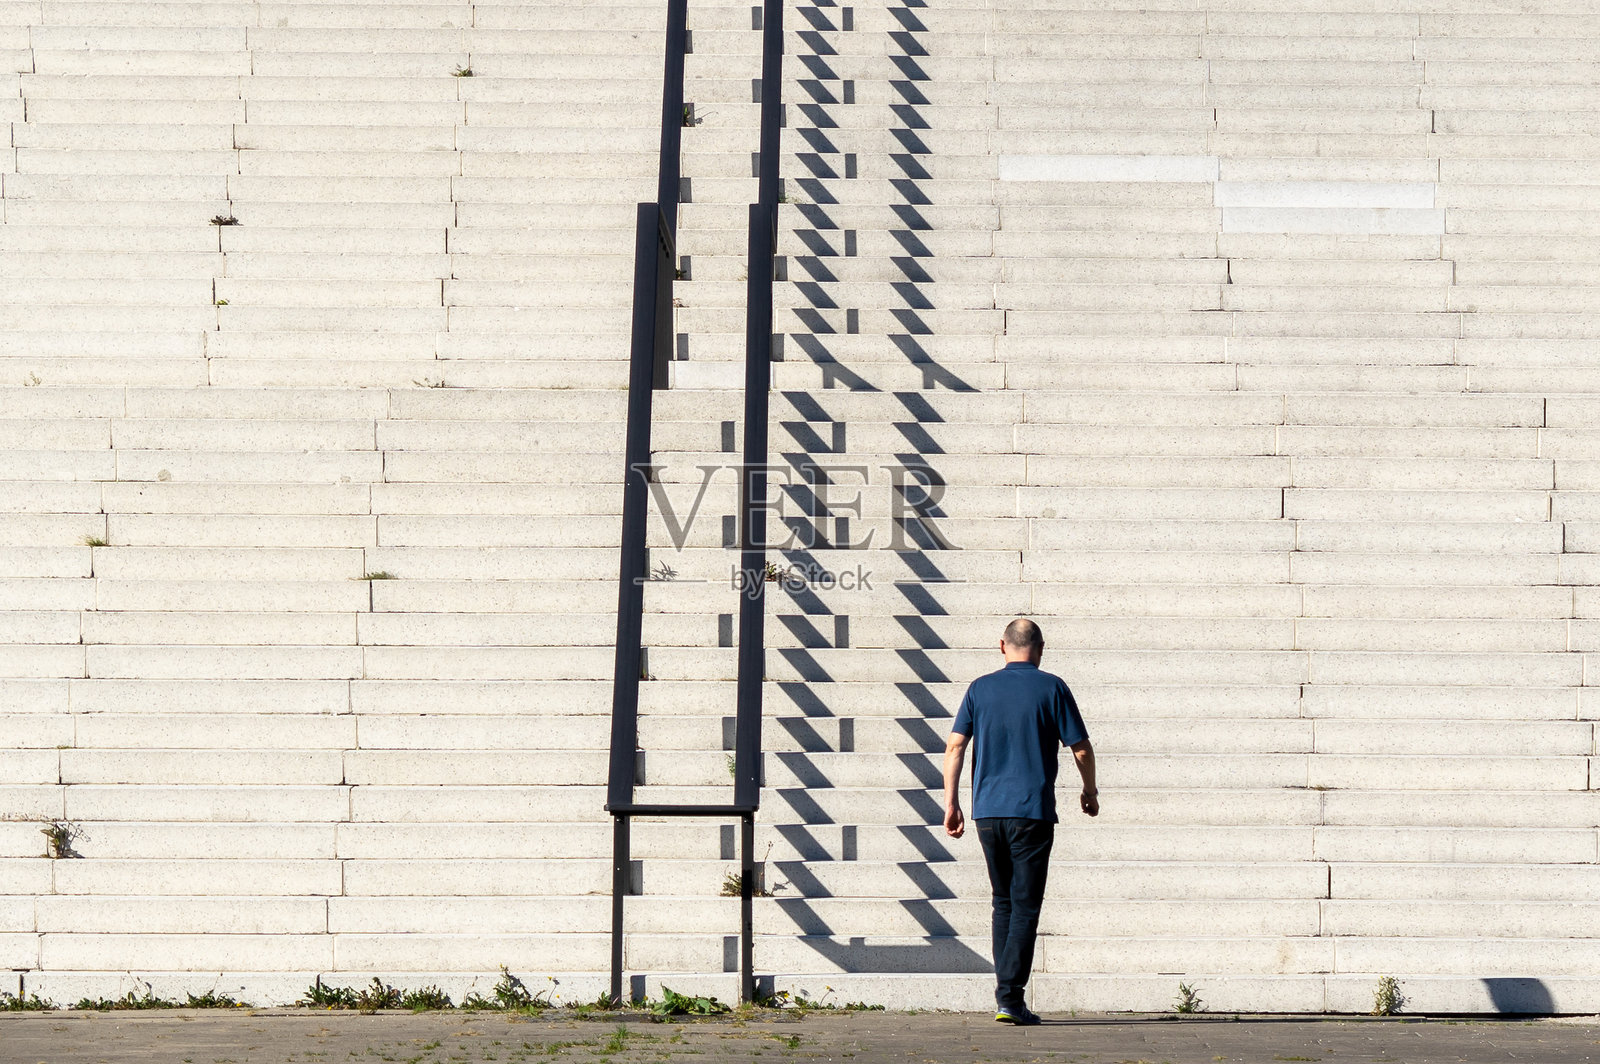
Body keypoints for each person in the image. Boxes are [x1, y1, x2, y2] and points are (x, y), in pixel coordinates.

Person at [942, 617, 1098, 1026]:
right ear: (1040, 648)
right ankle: (1010, 998)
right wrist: (1090, 791)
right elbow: (1080, 749)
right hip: (1031, 812)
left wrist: (951, 803)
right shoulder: (1052, 687)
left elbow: (956, 745)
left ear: (1002, 646)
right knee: (1025, 907)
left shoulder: (980, 688)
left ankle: (1006, 995)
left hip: (988, 813)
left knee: (1002, 903)